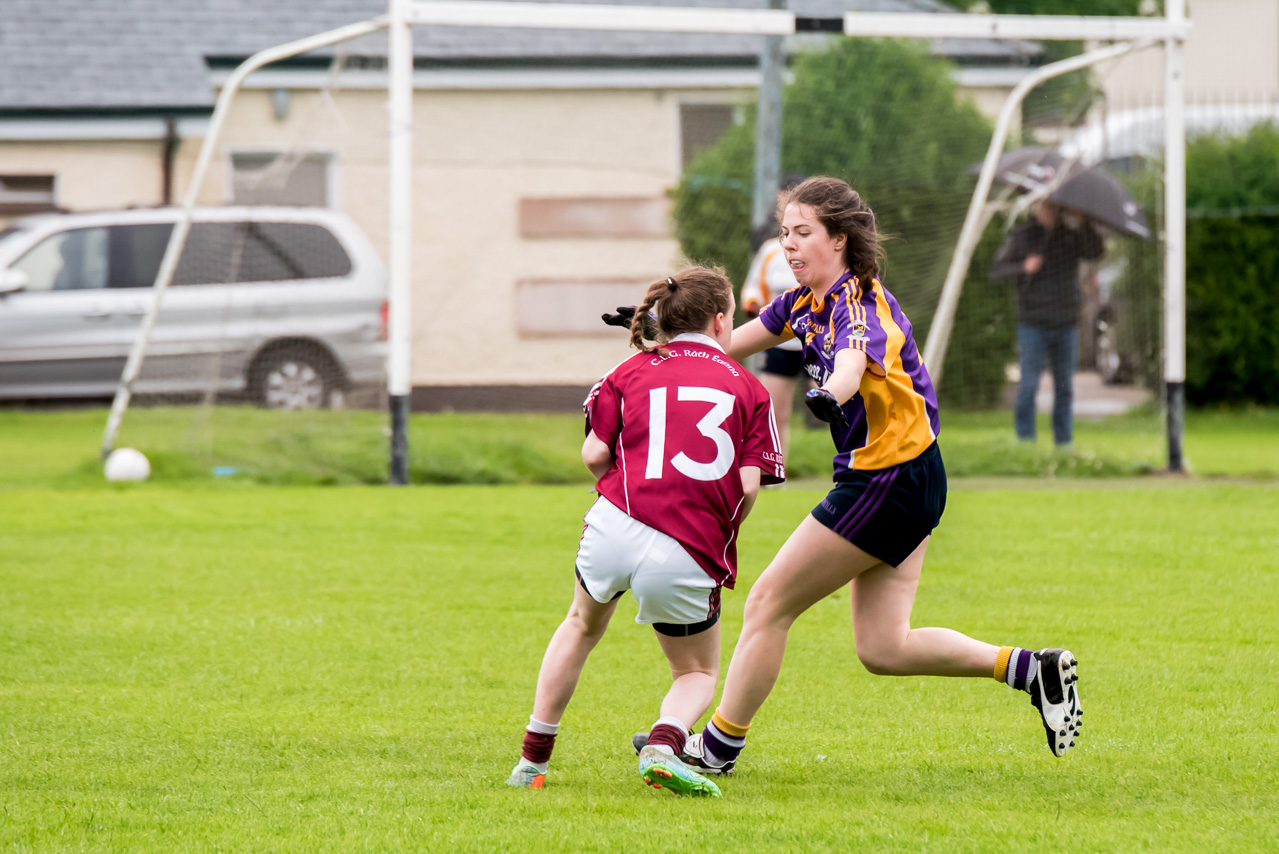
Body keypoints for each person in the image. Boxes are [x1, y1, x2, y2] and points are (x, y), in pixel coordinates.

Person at [656, 177, 1082, 778]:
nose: (789, 246)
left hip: (887, 477)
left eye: (803, 233)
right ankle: (1029, 668)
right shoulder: (801, 303)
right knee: (884, 648)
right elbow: (722, 349)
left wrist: (829, 392)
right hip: (908, 475)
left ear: (841, 238)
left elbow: (854, 360)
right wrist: (664, 341)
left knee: (768, 603)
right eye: (784, 234)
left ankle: (717, 750)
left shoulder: (858, 301)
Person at [508, 266, 785, 797]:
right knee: (696, 673)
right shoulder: (749, 387)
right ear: (722, 321)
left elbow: (594, 453)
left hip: (614, 525)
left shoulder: (630, 368)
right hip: (688, 546)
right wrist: (719, 527)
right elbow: (749, 487)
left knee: (580, 627)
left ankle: (531, 763)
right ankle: (663, 745)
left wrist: (622, 493)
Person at [992, 200, 1104, 446]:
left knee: (1064, 386)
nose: (1051, 211)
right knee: (1029, 384)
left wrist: (1083, 221)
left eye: (1056, 207)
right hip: (1032, 323)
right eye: (1047, 206)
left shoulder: (1071, 236)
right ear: (1037, 206)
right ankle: (1025, 439)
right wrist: (1024, 267)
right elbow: (998, 270)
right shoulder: (1022, 236)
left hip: (1065, 323)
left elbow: (1096, 251)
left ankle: (1064, 441)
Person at [741, 172, 808, 459]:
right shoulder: (770, 251)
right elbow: (752, 290)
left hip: (817, 341)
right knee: (775, 413)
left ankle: (850, 472)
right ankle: (777, 473)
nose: (792, 244)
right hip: (779, 344)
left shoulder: (819, 253)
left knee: (842, 409)